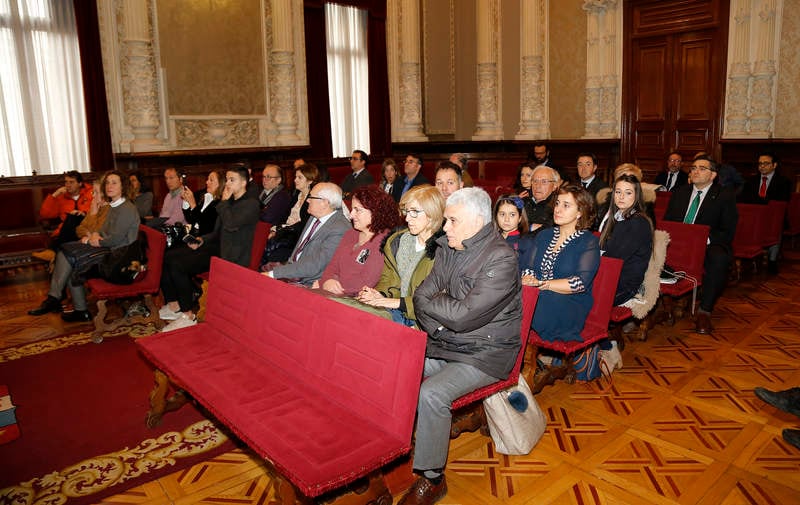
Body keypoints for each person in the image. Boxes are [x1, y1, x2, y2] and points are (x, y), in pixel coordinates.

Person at [399, 187, 521, 505]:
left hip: (486, 352)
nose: (445, 227)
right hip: (448, 341)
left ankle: (433, 478)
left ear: (477, 221)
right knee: (400, 364)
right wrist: (443, 320)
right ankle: (399, 441)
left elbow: (466, 316)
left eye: (452, 220)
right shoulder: (449, 246)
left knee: (432, 392)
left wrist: (441, 314)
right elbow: (421, 297)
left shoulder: (502, 258)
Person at [28, 171, 140, 323]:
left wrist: (95, 241)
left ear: (123, 186)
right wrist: (95, 236)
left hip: (119, 259)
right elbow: (103, 231)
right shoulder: (115, 206)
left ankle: (65, 303)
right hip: (109, 251)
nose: (109, 186)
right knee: (65, 251)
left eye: (114, 182)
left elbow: (116, 238)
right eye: (107, 182)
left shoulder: (126, 208)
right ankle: (66, 303)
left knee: (69, 258)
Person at [159, 165, 260, 331]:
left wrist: (225, 202)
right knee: (169, 257)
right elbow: (217, 232)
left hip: (234, 255)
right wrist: (201, 240)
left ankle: (188, 314)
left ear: (243, 183)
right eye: (226, 179)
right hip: (219, 248)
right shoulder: (230, 202)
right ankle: (177, 306)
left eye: (232, 180)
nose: (227, 183)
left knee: (178, 264)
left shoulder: (251, 204)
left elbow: (231, 224)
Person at [663, 154, 738, 335]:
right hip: (680, 242)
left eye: (701, 168)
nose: (696, 171)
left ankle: (705, 310)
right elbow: (668, 221)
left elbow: (727, 230)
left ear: (713, 175)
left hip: (708, 243)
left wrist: (702, 238)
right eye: (694, 168)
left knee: (719, 258)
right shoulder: (681, 192)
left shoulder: (724, 195)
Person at [518, 184, 600, 343]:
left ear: (580, 212)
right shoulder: (545, 235)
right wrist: (528, 278)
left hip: (569, 303)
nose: (558, 209)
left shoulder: (588, 241)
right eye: (557, 203)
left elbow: (580, 283)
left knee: (536, 301)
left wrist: (543, 283)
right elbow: (528, 266)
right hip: (539, 293)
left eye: (566, 205)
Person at [357, 185, 445, 327]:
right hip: (397, 312)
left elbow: (436, 300)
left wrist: (396, 303)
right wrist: (380, 295)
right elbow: (389, 279)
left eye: (414, 212)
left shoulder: (444, 250)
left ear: (432, 214)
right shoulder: (398, 241)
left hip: (422, 321)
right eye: (406, 211)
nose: (408, 218)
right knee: (348, 310)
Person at [314, 186, 400, 296]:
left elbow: (365, 282)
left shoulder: (384, 240)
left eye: (357, 210)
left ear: (375, 212)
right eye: (352, 209)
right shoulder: (350, 234)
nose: (351, 215)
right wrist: (327, 281)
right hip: (335, 294)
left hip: (357, 301)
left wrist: (331, 285)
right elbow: (332, 267)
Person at [263, 182, 351, 286]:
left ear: (325, 202)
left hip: (309, 282)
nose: (307, 200)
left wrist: (274, 274)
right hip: (294, 271)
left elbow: (315, 265)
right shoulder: (314, 216)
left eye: (311, 197)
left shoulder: (340, 229)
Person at [599, 174, 654, 306]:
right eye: (618, 192)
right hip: (609, 274)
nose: (621, 196)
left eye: (628, 193)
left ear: (636, 196)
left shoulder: (639, 223)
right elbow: (603, 249)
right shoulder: (614, 218)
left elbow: (615, 258)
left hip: (625, 284)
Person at [738, 151, 792, 274]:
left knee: (776, 225)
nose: (762, 166)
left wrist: (760, 202)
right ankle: (747, 256)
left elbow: (781, 202)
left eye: (766, 163)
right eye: (760, 163)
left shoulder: (784, 182)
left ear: (774, 165)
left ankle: (772, 261)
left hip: (773, 217)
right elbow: (743, 198)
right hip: (753, 217)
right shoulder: (751, 181)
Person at [262, 163, 321, 264]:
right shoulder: (297, 195)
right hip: (286, 231)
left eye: (299, 178)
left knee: (270, 251)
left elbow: (304, 225)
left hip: (296, 236)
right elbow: (285, 216)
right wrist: (276, 228)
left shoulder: (313, 199)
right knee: (261, 242)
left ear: (310, 181)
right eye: (295, 177)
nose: (295, 180)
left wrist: (281, 230)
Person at [37, 170, 94, 252]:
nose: (68, 185)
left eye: (71, 182)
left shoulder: (90, 193)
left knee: (74, 216)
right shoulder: (61, 197)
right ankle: (57, 249)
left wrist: (83, 213)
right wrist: (55, 194)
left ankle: (54, 249)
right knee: (72, 217)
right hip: (68, 230)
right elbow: (45, 214)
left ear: (80, 184)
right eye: (66, 182)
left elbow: (99, 209)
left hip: (86, 225)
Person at [517, 163, 559, 235]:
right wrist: (530, 227)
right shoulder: (523, 201)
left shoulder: (557, 205)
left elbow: (549, 231)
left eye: (544, 182)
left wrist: (524, 227)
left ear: (554, 186)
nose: (538, 186)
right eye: (535, 181)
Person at [181, 170, 223, 238]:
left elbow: (205, 224)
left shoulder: (220, 203)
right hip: (194, 235)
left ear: (221, 184)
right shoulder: (205, 197)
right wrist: (186, 200)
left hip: (206, 240)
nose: (207, 182)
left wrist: (193, 204)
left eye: (211, 180)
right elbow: (190, 219)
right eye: (207, 179)